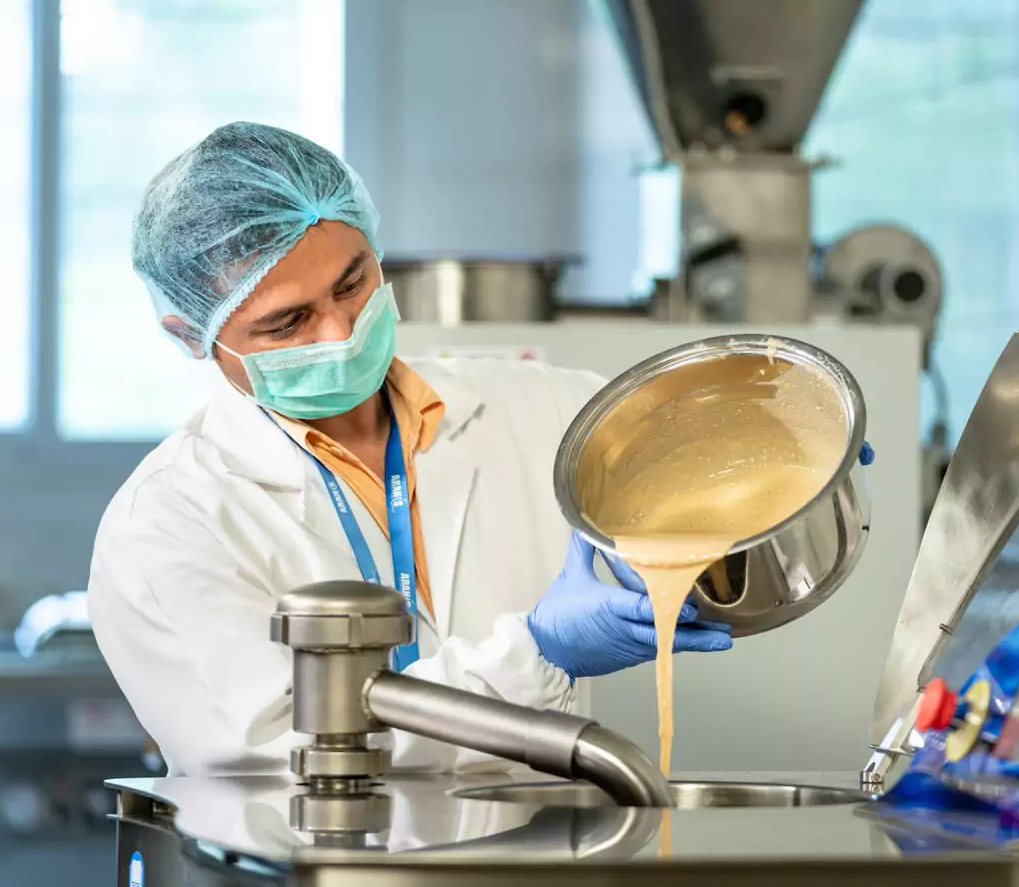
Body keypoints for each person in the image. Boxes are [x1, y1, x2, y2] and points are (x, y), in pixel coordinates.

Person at [87, 122, 735, 778]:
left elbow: (698, 450)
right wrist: (537, 653)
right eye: (289, 322)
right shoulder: (168, 524)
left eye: (352, 283)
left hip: (547, 854)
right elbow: (280, 762)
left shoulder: (539, 407)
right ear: (190, 333)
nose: (341, 331)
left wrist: (787, 430)